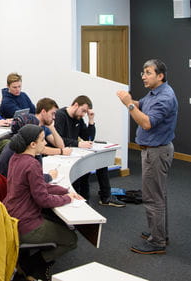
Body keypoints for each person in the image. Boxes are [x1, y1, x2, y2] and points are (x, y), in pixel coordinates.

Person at [3, 124, 80, 280]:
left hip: (12, 217)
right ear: (32, 144)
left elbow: (40, 186)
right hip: (27, 225)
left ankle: (26, 263)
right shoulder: (32, 164)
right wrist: (66, 199)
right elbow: (43, 200)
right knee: (71, 240)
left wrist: (64, 191)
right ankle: (32, 266)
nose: (45, 143)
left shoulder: (15, 158)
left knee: (58, 224)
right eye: (42, 140)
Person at [117, 59, 178, 254]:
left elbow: (147, 123)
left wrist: (129, 105)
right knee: (158, 196)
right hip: (153, 151)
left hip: (157, 152)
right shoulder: (154, 93)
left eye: (148, 73)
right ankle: (160, 233)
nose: (143, 76)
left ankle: (157, 242)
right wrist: (128, 100)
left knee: (153, 198)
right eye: (143, 72)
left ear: (160, 76)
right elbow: (140, 105)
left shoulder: (165, 98)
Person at [54, 95, 125, 207]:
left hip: (74, 152)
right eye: (83, 111)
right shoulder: (60, 115)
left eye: (85, 113)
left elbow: (88, 137)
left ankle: (105, 196)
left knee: (101, 162)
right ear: (76, 105)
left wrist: (91, 120)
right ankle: (84, 199)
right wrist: (78, 143)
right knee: (83, 170)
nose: (83, 115)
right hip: (62, 154)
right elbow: (58, 138)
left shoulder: (79, 118)